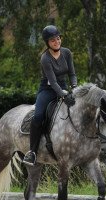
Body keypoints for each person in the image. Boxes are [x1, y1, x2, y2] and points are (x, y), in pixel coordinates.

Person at [23, 25, 77, 166]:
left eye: (58, 38)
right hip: (47, 90)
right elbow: (52, 82)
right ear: (47, 43)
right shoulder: (45, 58)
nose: (56, 42)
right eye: (52, 40)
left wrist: (75, 88)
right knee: (38, 116)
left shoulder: (67, 53)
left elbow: (72, 74)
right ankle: (32, 152)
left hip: (64, 87)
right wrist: (63, 94)